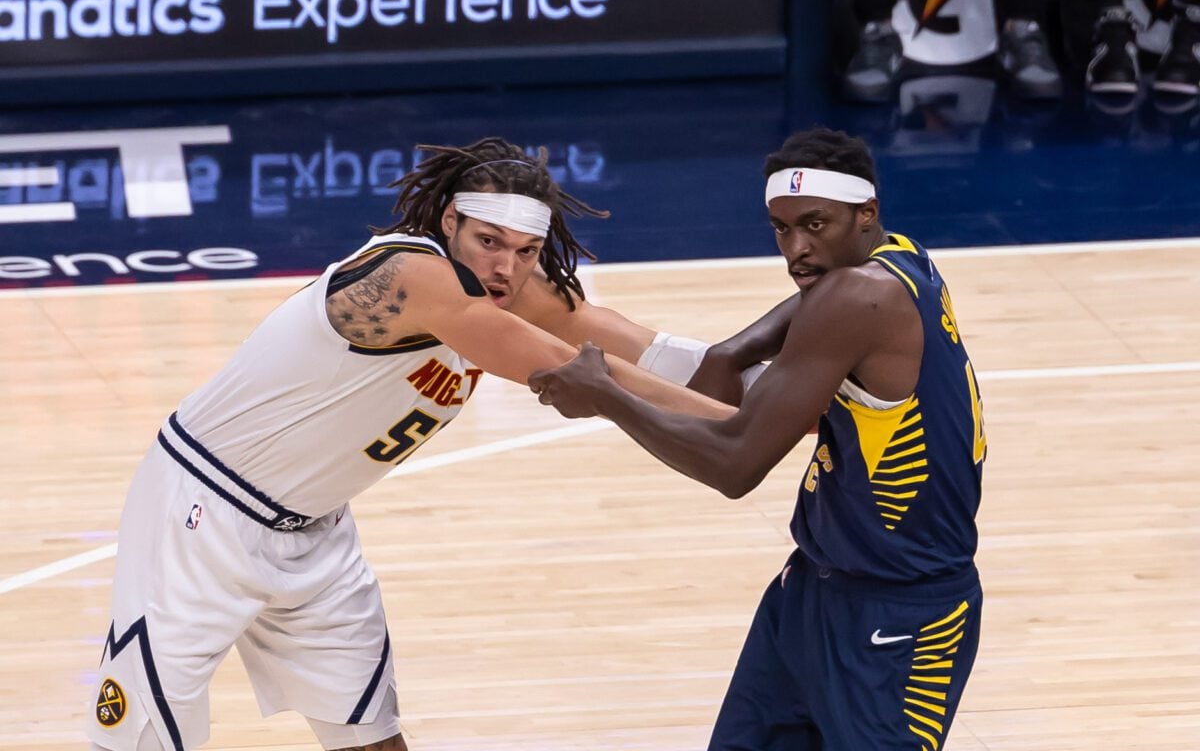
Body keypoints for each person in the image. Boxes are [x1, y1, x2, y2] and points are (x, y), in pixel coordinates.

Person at [85, 137, 738, 751]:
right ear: (450, 220)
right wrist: (742, 431)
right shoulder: (410, 276)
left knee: (372, 736)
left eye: (525, 250)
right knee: (144, 738)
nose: (505, 266)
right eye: (489, 241)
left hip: (316, 529)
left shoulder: (505, 283)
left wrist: (785, 383)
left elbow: (637, 344)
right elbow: (585, 371)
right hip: (202, 514)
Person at [529, 128, 988, 750]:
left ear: (866, 215)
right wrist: (730, 351)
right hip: (810, 592)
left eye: (815, 225)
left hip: (902, 616)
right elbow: (740, 356)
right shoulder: (901, 258)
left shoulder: (858, 296)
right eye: (781, 227)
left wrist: (608, 397)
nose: (795, 249)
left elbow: (735, 466)